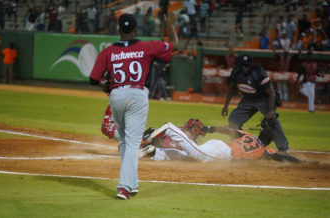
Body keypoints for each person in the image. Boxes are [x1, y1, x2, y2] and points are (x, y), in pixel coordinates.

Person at [89, 12, 179, 200]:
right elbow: (176, 46)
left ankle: (133, 183)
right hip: (137, 95)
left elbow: (93, 79)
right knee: (131, 143)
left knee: (124, 141)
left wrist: (106, 84)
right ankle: (124, 187)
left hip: (116, 96)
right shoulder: (147, 47)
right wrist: (170, 25)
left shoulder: (108, 52)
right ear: (136, 29)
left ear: (119, 29)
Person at [139, 119, 304, 163]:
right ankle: (170, 129)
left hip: (220, 145)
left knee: (190, 158)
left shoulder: (247, 135)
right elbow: (282, 158)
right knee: (196, 153)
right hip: (222, 154)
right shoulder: (264, 151)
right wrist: (300, 162)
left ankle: (156, 153)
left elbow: (228, 130)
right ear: (268, 143)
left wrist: (210, 128)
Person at [221, 54, 289, 153]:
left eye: (248, 65)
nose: (245, 68)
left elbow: (271, 93)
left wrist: (270, 111)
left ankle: (283, 148)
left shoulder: (259, 73)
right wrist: (226, 106)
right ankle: (237, 146)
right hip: (247, 99)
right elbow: (231, 88)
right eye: (244, 65)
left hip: (263, 99)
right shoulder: (236, 71)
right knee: (233, 119)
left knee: (272, 121)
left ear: (252, 64)